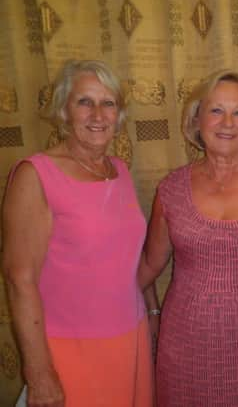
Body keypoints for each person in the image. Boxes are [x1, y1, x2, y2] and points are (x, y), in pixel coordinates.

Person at [137, 70, 238, 406]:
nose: (227, 122)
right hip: (183, 346)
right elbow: (148, 266)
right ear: (196, 119)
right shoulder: (171, 190)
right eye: (216, 110)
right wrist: (148, 314)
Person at [1, 60, 152, 406]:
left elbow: (128, 256)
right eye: (84, 102)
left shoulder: (121, 171)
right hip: (70, 350)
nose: (98, 114)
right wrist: (38, 373)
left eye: (108, 103)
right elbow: (18, 280)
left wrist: (152, 314)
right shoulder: (34, 174)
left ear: (119, 114)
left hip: (130, 339)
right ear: (64, 110)